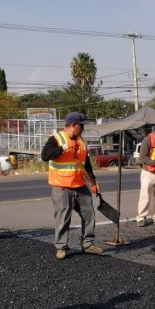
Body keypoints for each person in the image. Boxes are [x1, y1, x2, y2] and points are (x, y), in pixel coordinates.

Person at [40, 111, 104, 259]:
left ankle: (88, 244)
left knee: (89, 214)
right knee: (63, 217)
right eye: (81, 126)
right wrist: (63, 147)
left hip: (80, 185)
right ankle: (61, 248)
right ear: (74, 125)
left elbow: (86, 165)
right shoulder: (56, 139)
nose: (83, 128)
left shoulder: (82, 141)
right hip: (62, 187)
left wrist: (93, 182)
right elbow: (45, 156)